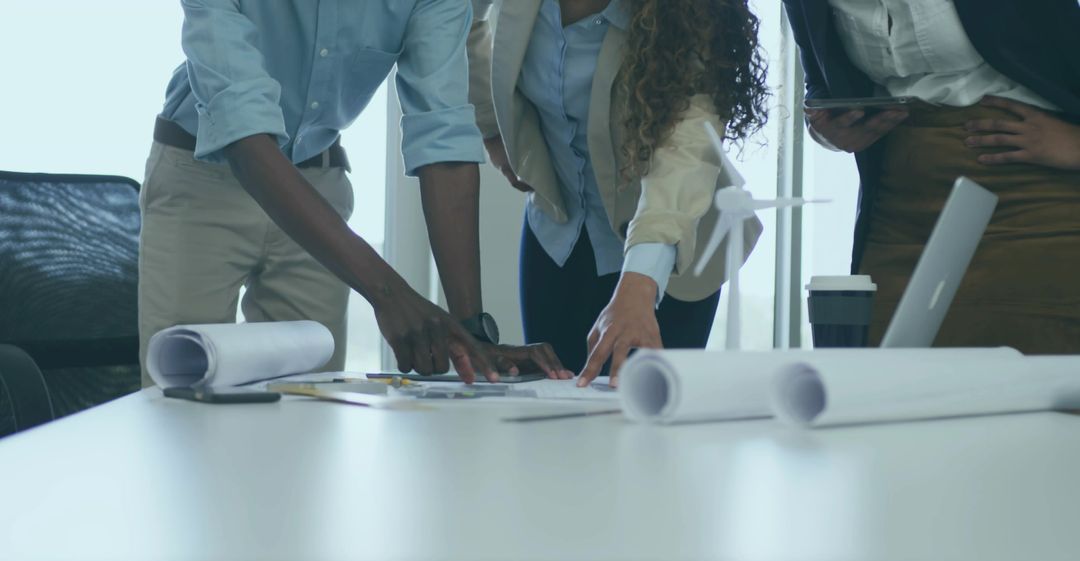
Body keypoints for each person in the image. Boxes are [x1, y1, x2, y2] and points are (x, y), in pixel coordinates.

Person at [139, 0, 570, 386]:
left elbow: (442, 131)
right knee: (180, 399)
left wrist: (471, 331)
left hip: (318, 186)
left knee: (308, 414)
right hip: (198, 181)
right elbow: (244, 134)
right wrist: (388, 294)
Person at [468, 0, 769, 385]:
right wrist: (492, 129)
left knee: (645, 430)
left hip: (668, 251)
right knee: (552, 425)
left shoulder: (694, 10)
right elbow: (455, 17)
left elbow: (685, 153)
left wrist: (642, 281)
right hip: (558, 234)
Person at [784, 0, 1080, 352]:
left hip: (1036, 201)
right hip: (902, 206)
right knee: (889, 382)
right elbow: (820, 85)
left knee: (1039, 377)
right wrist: (826, 130)